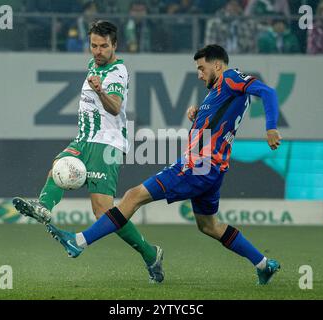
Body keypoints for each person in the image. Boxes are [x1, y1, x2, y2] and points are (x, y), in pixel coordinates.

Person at [44, 44, 282, 285]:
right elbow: (221, 118)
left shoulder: (231, 78)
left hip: (196, 166)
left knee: (133, 196)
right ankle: (264, 264)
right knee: (209, 226)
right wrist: (198, 113)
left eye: (202, 68)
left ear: (218, 65)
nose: (199, 74)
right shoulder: (219, 92)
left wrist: (271, 127)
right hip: (212, 169)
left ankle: (79, 241)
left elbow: (268, 92)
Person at [12, 20, 164, 284]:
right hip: (85, 138)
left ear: (115, 45)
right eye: (94, 45)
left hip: (107, 144)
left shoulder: (116, 71)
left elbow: (115, 108)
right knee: (58, 165)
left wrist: (99, 89)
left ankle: (151, 254)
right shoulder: (93, 64)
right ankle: (44, 207)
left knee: (104, 213)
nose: (97, 51)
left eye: (104, 46)